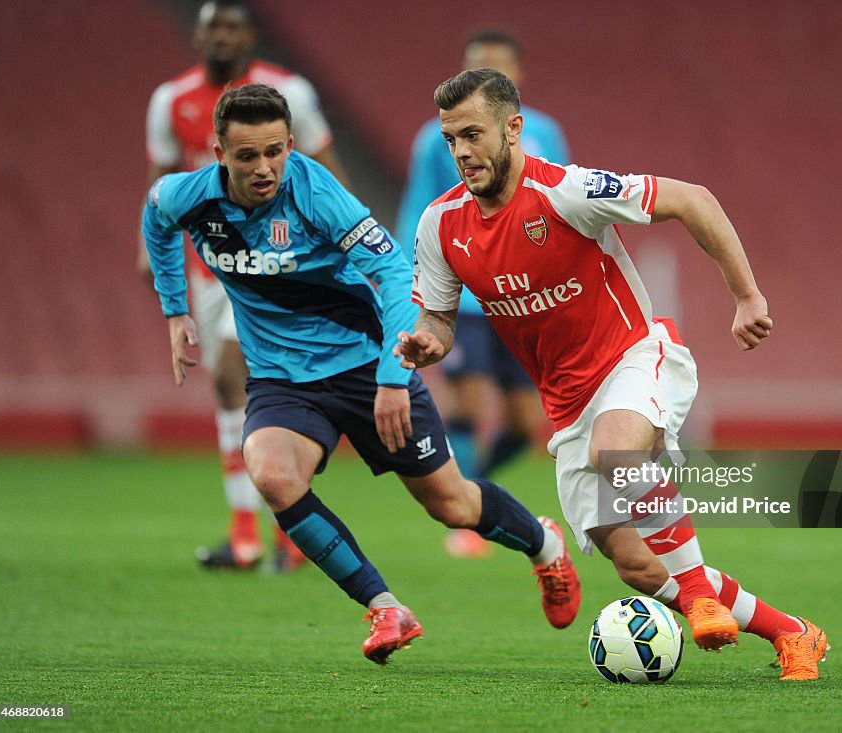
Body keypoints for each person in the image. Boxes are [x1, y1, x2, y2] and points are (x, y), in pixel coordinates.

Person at [398, 68, 829, 680]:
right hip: (566, 408)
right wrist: (427, 343)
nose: (461, 152)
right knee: (639, 568)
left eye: (472, 134)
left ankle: (701, 597)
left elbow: (693, 199)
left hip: (634, 357)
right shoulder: (440, 226)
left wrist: (747, 297)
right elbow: (439, 318)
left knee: (616, 453)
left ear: (513, 129)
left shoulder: (567, 192)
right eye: (450, 140)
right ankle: (794, 633)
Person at [142, 83, 581, 664]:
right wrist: (176, 310)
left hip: (364, 365)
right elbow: (155, 220)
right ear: (218, 152)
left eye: (274, 151)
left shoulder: (317, 195)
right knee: (272, 475)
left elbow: (398, 277)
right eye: (246, 156)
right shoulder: (187, 196)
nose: (264, 167)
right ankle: (384, 607)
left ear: (290, 144)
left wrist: (392, 379)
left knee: (451, 505)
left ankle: (545, 546)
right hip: (281, 379)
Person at [140, 0, 350, 572]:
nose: (221, 37)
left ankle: (277, 531)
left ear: (250, 35)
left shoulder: (290, 93)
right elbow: (164, 182)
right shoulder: (171, 101)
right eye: (212, 28)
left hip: (281, 261)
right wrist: (148, 249)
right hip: (211, 266)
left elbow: (326, 165)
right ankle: (250, 533)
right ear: (199, 37)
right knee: (229, 391)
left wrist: (342, 238)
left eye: (232, 27)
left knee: (240, 371)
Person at [396, 27, 569, 558]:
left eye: (497, 67)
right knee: (469, 408)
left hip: (523, 300)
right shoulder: (436, 138)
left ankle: (477, 492)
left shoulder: (543, 131)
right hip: (468, 296)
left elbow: (560, 199)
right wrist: (414, 279)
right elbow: (422, 208)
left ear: (515, 77)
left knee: (524, 425)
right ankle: (465, 522)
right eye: (478, 65)